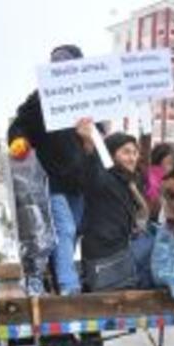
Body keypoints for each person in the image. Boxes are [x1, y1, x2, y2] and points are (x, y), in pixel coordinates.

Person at [7, 44, 90, 295]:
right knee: (64, 229)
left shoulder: (87, 98)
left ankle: (54, 277)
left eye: (66, 62)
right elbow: (19, 124)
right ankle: (68, 286)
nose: (60, 66)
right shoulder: (40, 98)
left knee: (72, 232)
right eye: (55, 62)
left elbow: (99, 139)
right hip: (52, 179)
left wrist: (91, 137)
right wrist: (18, 141)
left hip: (80, 181)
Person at [73, 120, 153, 291]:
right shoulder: (103, 178)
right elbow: (90, 161)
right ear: (111, 154)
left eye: (134, 152)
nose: (132, 157)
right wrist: (88, 140)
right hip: (103, 256)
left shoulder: (131, 182)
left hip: (123, 254)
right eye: (125, 152)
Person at [146, 142, 174, 221]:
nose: (172, 167)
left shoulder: (150, 173)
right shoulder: (155, 178)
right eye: (170, 163)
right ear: (159, 160)